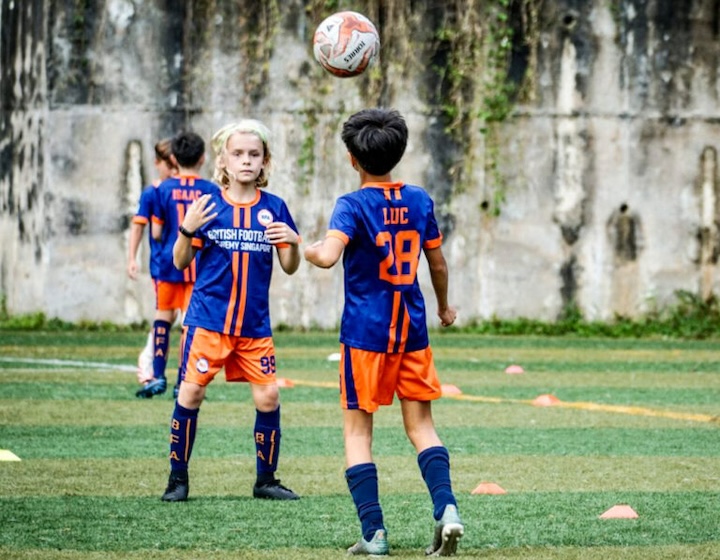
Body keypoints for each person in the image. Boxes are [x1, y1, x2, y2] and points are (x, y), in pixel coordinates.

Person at [304, 108, 464, 556]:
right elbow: (436, 262)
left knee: (358, 435)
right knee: (423, 428)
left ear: (353, 159)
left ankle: (374, 534)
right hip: (411, 331)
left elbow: (329, 255)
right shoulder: (419, 199)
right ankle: (447, 509)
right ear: (399, 152)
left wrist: (305, 246)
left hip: (365, 336)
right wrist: (444, 307)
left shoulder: (351, 205)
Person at [160, 119, 301, 503]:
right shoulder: (207, 206)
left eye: (254, 155)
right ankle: (177, 479)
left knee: (268, 398)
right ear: (223, 159)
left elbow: (289, 266)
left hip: (254, 325)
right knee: (190, 395)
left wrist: (293, 242)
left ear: (264, 161)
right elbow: (178, 261)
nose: (246, 161)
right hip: (209, 322)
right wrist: (187, 230)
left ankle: (266, 480)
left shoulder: (275, 208)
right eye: (238, 154)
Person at [136, 131, 218, 398]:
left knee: (162, 317)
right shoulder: (211, 190)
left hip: (167, 266)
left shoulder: (161, 190)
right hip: (197, 268)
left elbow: (157, 232)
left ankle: (158, 376)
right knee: (189, 324)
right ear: (203, 158)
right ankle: (183, 380)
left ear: (172, 158)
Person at [127, 138, 178, 388]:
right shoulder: (153, 192)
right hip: (163, 266)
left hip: (186, 267)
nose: (172, 170)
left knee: (174, 318)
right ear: (158, 163)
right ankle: (148, 365)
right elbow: (140, 228)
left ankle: (154, 367)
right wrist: (132, 258)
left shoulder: (183, 189)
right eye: (168, 164)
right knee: (167, 317)